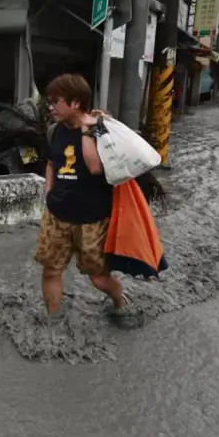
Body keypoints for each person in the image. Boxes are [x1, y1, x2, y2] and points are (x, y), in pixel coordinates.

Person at [34, 73, 128, 321]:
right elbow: (52, 163)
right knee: (51, 271)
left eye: (56, 101)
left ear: (75, 102)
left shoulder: (103, 130)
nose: (50, 107)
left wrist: (88, 130)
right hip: (57, 215)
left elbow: (95, 168)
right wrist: (49, 193)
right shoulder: (54, 131)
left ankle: (120, 302)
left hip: (92, 219)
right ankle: (53, 322)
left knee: (98, 277)